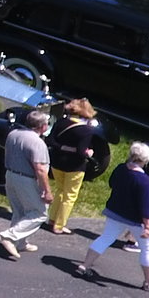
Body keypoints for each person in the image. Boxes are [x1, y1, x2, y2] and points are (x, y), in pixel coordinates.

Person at [72, 142, 149, 292]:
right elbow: (145, 207)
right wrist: (148, 225)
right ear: (146, 161)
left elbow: (111, 183)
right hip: (136, 221)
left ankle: (84, 266)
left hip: (115, 213)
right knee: (148, 249)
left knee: (105, 238)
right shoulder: (145, 181)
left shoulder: (120, 169)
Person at [0, 108, 53, 259]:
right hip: (26, 179)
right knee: (39, 213)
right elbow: (40, 169)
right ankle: (10, 236)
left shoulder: (13, 134)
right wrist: (47, 191)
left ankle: (20, 242)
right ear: (43, 127)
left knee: (19, 211)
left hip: (11, 175)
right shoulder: (37, 142)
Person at [46, 99, 108, 235]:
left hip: (57, 162)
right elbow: (81, 151)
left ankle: (51, 219)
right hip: (75, 166)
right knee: (70, 196)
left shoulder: (61, 122)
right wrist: (89, 152)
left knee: (60, 190)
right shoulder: (86, 130)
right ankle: (59, 225)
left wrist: (63, 147)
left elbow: (50, 140)